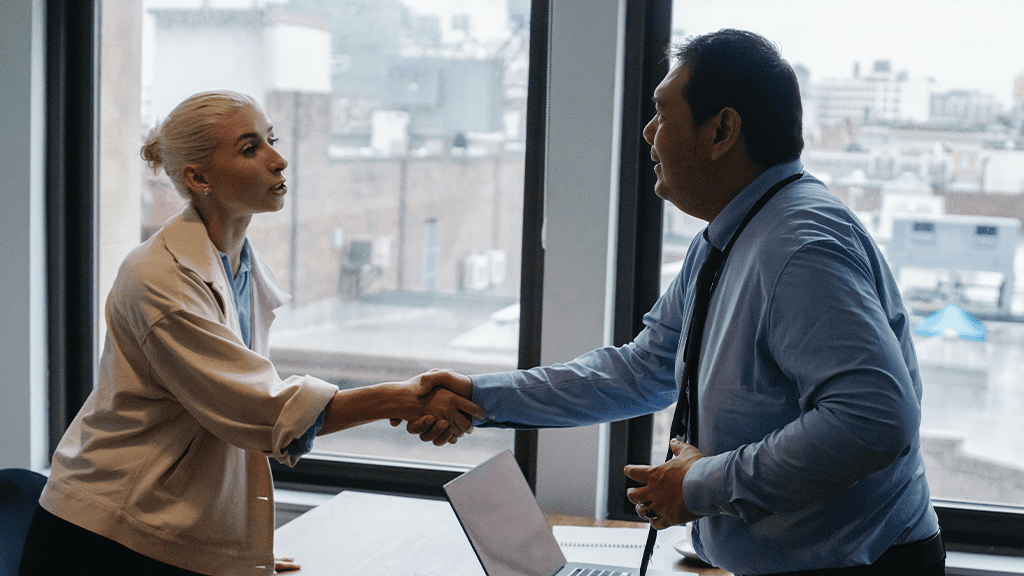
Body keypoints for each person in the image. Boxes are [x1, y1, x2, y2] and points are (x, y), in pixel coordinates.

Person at [409, 29, 944, 575]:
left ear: (722, 130)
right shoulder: (729, 236)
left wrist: (699, 483)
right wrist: (478, 398)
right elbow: (641, 371)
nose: (647, 133)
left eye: (662, 114)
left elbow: (873, 420)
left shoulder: (799, 247)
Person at [19, 90, 482, 576]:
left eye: (271, 140)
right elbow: (260, 410)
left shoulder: (237, 268)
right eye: (250, 148)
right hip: (106, 539)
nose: (279, 161)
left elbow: (232, 420)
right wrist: (403, 398)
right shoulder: (159, 278)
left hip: (163, 531)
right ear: (198, 177)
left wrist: (236, 550)